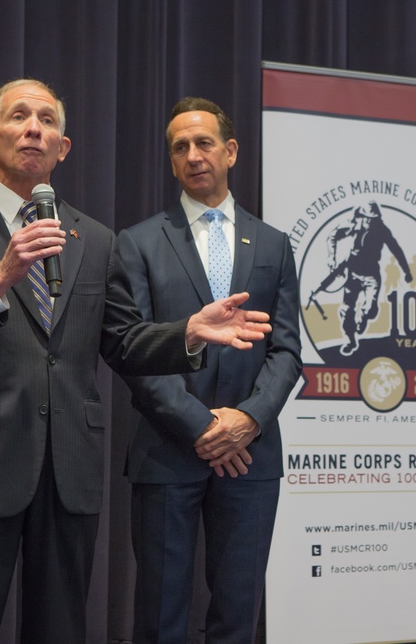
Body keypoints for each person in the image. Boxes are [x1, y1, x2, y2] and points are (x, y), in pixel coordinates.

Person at [0, 79, 271, 643]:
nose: (33, 129)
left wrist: (185, 334)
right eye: (19, 117)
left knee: (62, 629)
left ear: (63, 147)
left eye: (47, 120)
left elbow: (121, 343)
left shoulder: (93, 238)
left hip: (68, 471)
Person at [114, 97, 302, 643]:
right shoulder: (139, 243)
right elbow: (134, 350)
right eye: (180, 148)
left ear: (231, 151)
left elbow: (286, 351)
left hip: (252, 456)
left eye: (204, 143)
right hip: (168, 450)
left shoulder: (274, 244)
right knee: (160, 616)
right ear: (172, 163)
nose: (194, 156)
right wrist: (202, 426)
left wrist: (247, 420)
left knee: (237, 616)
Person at [308, 200, 412, 356]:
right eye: (366, 218)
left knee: (370, 309)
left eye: (372, 219)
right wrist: (332, 258)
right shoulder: (354, 226)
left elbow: (396, 249)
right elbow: (333, 236)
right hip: (353, 273)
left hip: (371, 275)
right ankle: (350, 340)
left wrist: (406, 271)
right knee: (346, 310)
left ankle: (363, 319)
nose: (369, 221)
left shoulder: (382, 231)